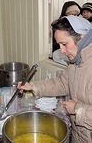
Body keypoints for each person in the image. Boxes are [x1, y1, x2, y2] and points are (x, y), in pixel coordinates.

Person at [18, 15, 92, 143]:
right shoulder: (75, 63)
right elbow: (61, 83)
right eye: (59, 45)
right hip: (78, 137)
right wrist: (33, 86)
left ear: (82, 38)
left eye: (64, 44)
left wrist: (77, 109)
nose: (62, 50)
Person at [52, 1, 81, 66]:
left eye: (76, 15)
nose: (74, 17)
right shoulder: (59, 28)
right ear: (65, 13)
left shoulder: (80, 25)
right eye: (72, 14)